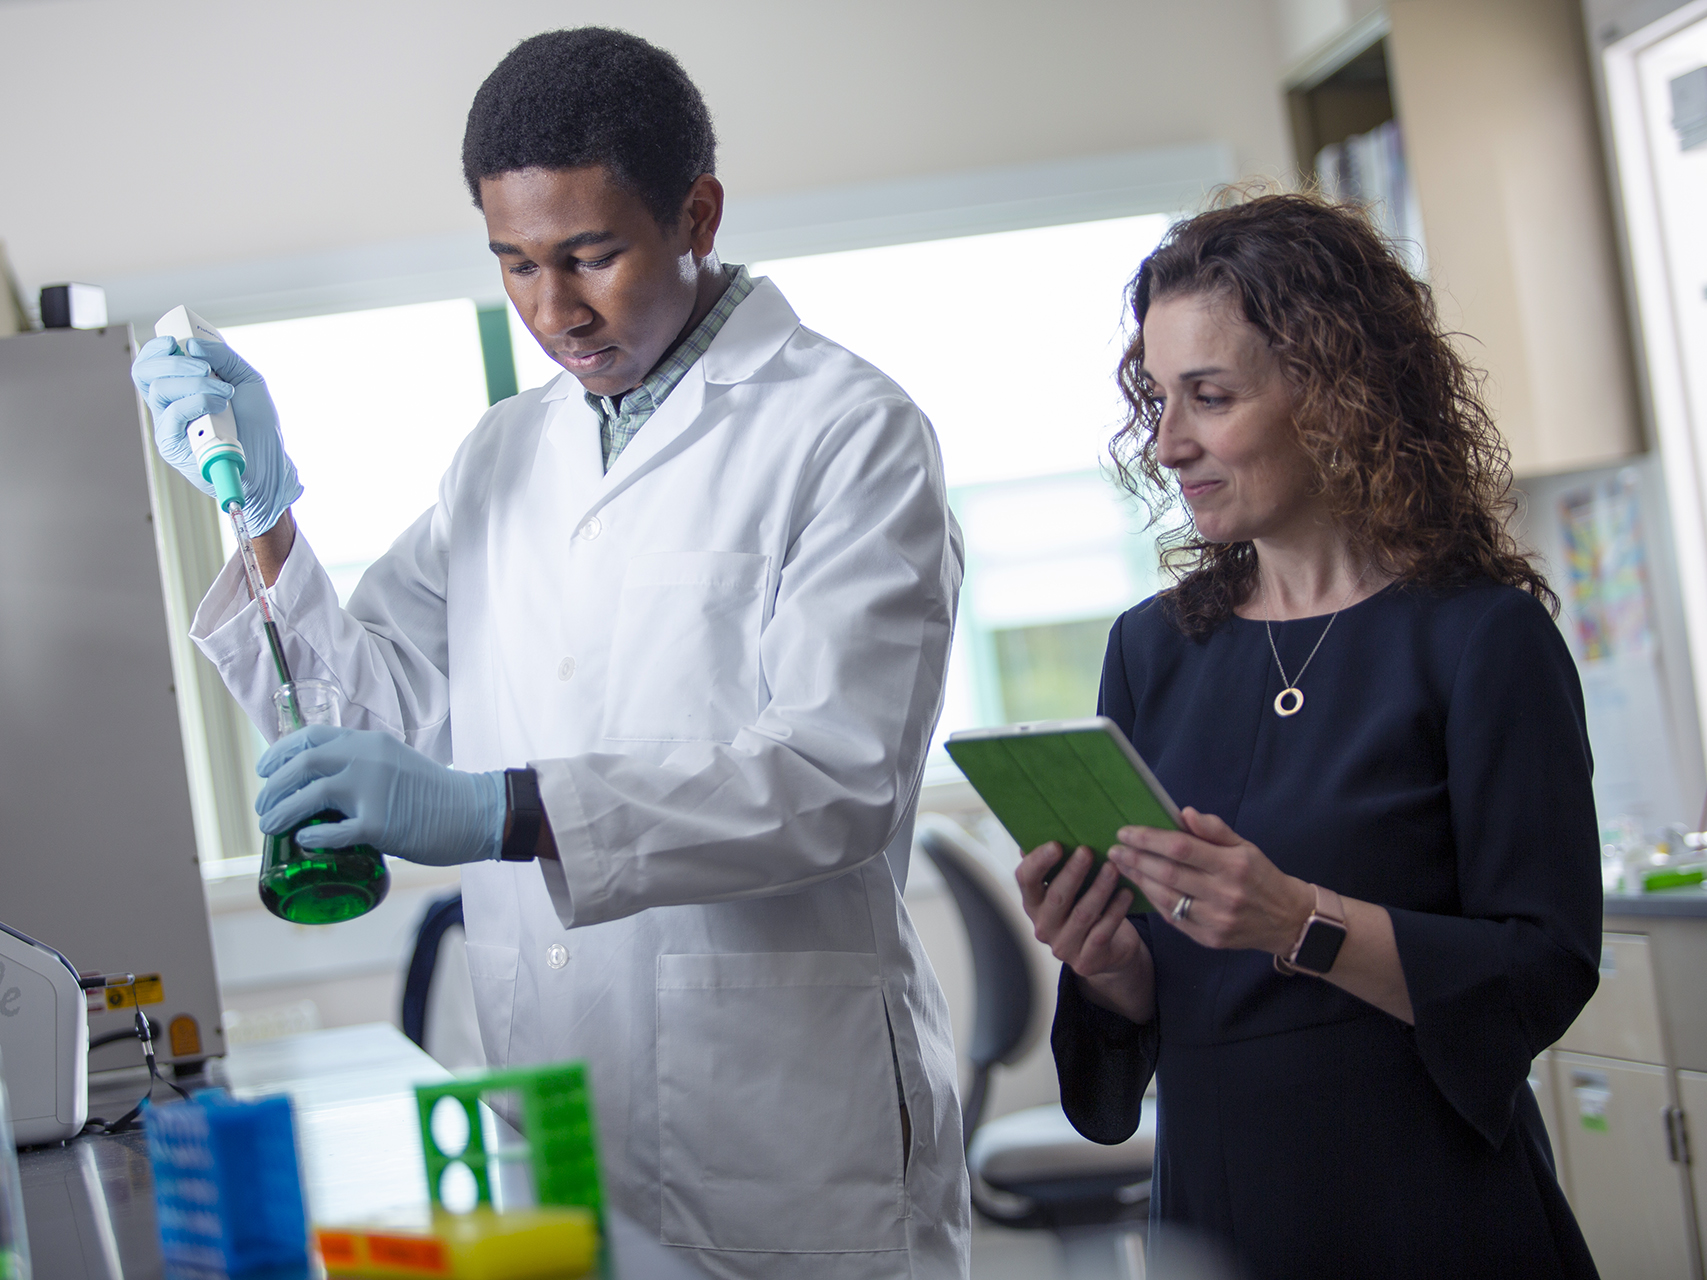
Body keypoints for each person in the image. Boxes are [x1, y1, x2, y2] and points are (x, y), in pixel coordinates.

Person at [132, 28, 969, 1280]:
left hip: (783, 1133)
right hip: (555, 1103)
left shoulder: (845, 432)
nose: (554, 311)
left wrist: (502, 808)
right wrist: (259, 512)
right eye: (515, 264)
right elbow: (386, 712)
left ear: (697, 212)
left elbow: (834, 778)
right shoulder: (503, 455)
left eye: (592, 255)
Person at [1015, 192, 1601, 1279]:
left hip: (1431, 1201)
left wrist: (1299, 918)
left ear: (1333, 397)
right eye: (1157, 397)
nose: (1166, 441)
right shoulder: (1152, 650)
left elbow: (1544, 969)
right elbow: (1147, 1021)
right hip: (1221, 1205)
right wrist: (1107, 970)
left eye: (1209, 395)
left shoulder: (1482, 639)